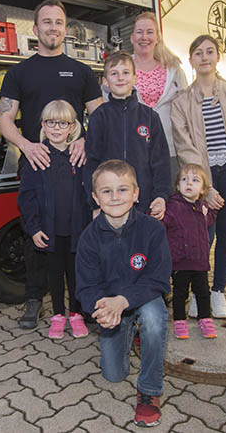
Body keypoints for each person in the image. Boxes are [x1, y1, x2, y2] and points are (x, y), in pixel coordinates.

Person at [0, 0, 103, 329]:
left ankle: (81, 303)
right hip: (36, 162)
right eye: (47, 22)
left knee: (78, 235)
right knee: (35, 232)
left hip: (75, 164)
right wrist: (27, 147)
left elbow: (100, 116)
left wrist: (86, 139)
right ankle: (34, 300)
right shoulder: (19, 72)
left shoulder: (82, 72)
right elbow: (5, 120)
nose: (53, 28)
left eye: (58, 22)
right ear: (35, 28)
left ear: (65, 28)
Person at [170, 34, 226, 318]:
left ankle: (218, 292)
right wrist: (204, 187)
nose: (205, 57)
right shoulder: (182, 101)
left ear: (218, 57)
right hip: (202, 179)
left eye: (210, 51)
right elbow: (184, 144)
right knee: (201, 238)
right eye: (198, 53)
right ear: (191, 61)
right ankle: (199, 294)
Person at [76, 160, 171, 427]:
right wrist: (103, 310)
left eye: (122, 190)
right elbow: (85, 288)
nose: (115, 197)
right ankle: (128, 330)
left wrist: (124, 300)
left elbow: (160, 279)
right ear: (95, 197)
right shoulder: (88, 238)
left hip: (142, 298)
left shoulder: (153, 230)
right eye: (106, 191)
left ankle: (150, 391)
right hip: (111, 306)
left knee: (155, 317)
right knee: (114, 375)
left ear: (136, 193)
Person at [17, 100, 90, 339]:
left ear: (72, 127)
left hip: (77, 230)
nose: (56, 128)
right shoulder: (35, 157)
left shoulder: (79, 156)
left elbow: (90, 191)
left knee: (76, 274)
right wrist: (34, 228)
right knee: (55, 275)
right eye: (51, 122)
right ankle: (58, 314)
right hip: (50, 231)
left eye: (63, 123)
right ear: (43, 125)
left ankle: (76, 314)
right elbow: (27, 197)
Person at [85, 51, 171, 221]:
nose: (120, 78)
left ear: (134, 78)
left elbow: (161, 161)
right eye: (114, 73)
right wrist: (94, 203)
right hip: (110, 204)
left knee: (141, 247)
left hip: (144, 204)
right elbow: (91, 163)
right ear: (106, 82)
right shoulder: (99, 117)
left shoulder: (150, 117)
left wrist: (161, 196)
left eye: (125, 73)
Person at [103, 12, 188, 181]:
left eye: (150, 32)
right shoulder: (119, 68)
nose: (144, 37)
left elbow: (186, 111)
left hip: (169, 150)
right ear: (132, 37)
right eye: (139, 32)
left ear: (157, 37)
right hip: (130, 151)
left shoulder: (174, 69)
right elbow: (106, 110)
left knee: (167, 201)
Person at [163, 163, 220, 339]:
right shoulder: (173, 206)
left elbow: (208, 221)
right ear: (178, 185)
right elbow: (162, 223)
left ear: (202, 188)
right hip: (180, 261)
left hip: (200, 262)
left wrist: (213, 209)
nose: (189, 183)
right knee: (180, 293)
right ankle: (180, 321)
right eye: (184, 179)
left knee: (203, 292)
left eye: (195, 180)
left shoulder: (202, 207)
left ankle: (205, 320)